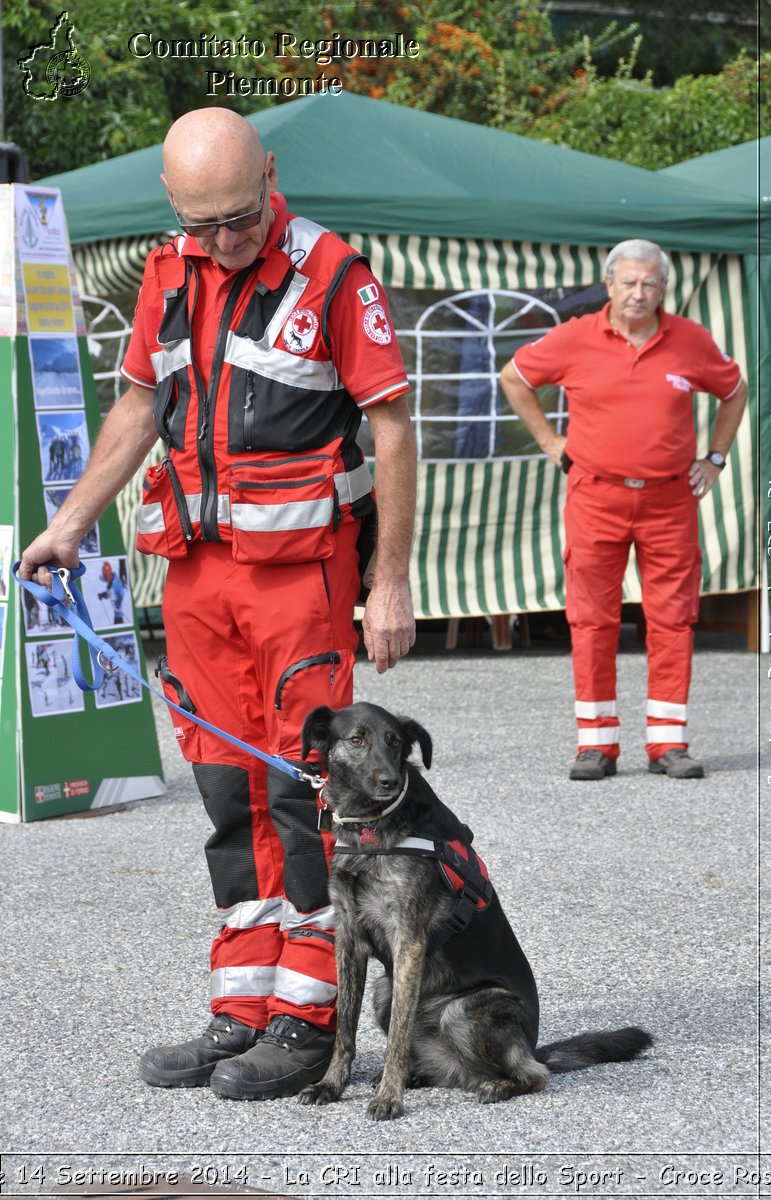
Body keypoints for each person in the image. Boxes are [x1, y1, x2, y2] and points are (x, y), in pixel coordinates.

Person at [19, 109, 417, 1098]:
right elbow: (137, 410)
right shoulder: (165, 272)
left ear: (269, 177)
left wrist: (390, 579)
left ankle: (306, 1015)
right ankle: (241, 1006)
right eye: (205, 226)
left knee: (299, 797)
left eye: (241, 218)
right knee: (223, 798)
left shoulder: (332, 275)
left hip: (300, 578)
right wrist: (68, 523)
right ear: (176, 212)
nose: (225, 241)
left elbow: (393, 429)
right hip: (196, 572)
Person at [500, 238, 747, 782]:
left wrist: (716, 458)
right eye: (629, 282)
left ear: (664, 289)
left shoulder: (691, 340)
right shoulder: (575, 338)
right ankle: (596, 745)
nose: (639, 293)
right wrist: (549, 442)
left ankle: (668, 743)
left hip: (669, 499)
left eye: (650, 283)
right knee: (591, 620)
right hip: (596, 495)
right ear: (609, 284)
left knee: (673, 619)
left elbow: (734, 390)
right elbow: (514, 378)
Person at [97, 559, 126, 624]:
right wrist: (103, 595)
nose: (105, 580)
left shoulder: (117, 584)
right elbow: (111, 593)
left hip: (118, 616)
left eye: (106, 577)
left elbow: (121, 595)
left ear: (109, 575)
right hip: (116, 614)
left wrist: (118, 602)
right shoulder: (111, 582)